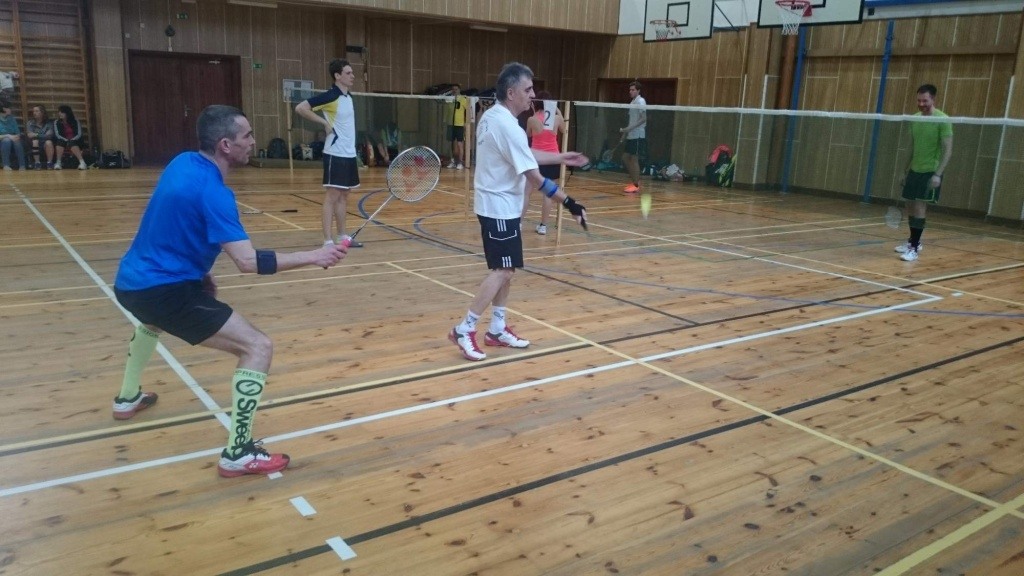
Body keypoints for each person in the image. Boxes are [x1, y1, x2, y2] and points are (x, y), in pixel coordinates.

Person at [113, 105, 349, 478]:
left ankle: (127, 398)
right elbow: (248, 262)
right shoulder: (215, 194)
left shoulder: (182, 162)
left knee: (152, 321)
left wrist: (197, 276)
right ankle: (238, 452)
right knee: (257, 347)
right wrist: (315, 256)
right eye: (247, 136)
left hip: (130, 282)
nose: (253, 142)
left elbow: (175, 224)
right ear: (226, 145)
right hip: (163, 290)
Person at [448, 62, 589, 362]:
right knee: (502, 270)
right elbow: (536, 179)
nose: (533, 95)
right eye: (528, 89)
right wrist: (570, 203)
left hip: (500, 206)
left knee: (508, 269)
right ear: (511, 93)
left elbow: (521, 153)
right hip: (498, 207)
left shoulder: (492, 116)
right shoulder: (507, 126)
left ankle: (497, 329)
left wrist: (560, 156)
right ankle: (465, 328)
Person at [295, 59, 364, 248]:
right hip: (335, 153)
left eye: (352, 72)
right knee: (332, 195)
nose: (352, 76)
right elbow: (301, 108)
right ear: (337, 76)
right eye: (348, 73)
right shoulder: (331, 96)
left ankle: (342, 236)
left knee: (344, 195)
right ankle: (327, 240)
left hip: (349, 154)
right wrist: (324, 123)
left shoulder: (348, 97)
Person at [896, 83, 953, 262]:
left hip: (930, 171)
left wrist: (938, 174)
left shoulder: (943, 120)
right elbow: (910, 147)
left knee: (920, 207)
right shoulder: (915, 118)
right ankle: (913, 241)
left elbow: (948, 150)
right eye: (919, 100)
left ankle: (913, 248)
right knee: (909, 206)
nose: (921, 104)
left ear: (933, 99)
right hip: (914, 170)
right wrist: (903, 170)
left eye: (925, 101)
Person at [521, 91, 566, 235]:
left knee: (527, 192)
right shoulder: (556, 118)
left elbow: (528, 134)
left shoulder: (532, 119)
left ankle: (519, 223)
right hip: (552, 158)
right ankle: (543, 226)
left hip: (536, 158)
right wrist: (557, 110)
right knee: (548, 194)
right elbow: (564, 130)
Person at [619, 81, 647, 194]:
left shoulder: (641, 101)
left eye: (633, 90)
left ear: (638, 91)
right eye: (630, 90)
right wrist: (625, 133)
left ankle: (636, 185)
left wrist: (628, 129)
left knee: (634, 159)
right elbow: (632, 121)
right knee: (625, 158)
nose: (630, 91)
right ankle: (635, 182)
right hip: (631, 135)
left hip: (638, 135)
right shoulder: (632, 102)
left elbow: (643, 119)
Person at [54, 104, 87, 170]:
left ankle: (82, 163)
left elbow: (79, 134)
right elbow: (57, 134)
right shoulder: (56, 122)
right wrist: (66, 140)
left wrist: (72, 140)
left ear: (67, 113)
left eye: (62, 112)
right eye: (59, 112)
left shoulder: (75, 121)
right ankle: (58, 162)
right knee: (59, 142)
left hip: (75, 140)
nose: (60, 113)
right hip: (63, 140)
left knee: (72, 143)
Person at [447, 83, 468, 169]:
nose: (454, 91)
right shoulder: (449, 99)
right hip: (451, 124)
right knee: (451, 144)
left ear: (459, 90)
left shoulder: (463, 99)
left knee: (460, 144)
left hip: (459, 124)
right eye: (453, 89)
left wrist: (466, 123)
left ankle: (460, 162)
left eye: (456, 89)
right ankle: (452, 161)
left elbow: (468, 111)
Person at [26, 105, 55, 169]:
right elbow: (30, 135)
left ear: (42, 112)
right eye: (33, 111)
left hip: (45, 143)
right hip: (34, 143)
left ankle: (49, 163)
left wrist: (36, 135)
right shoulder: (30, 123)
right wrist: (43, 135)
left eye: (36, 111)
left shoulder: (49, 123)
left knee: (49, 142)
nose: (34, 113)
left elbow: (49, 136)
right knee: (35, 141)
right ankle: (37, 163)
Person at [0, 101, 26, 170]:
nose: (11, 109)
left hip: (13, 138)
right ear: (4, 109)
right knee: (6, 141)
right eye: (9, 108)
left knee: (17, 141)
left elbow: (17, 132)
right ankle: (6, 164)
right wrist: (8, 136)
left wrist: (16, 136)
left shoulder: (12, 118)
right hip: (2, 139)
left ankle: (22, 165)